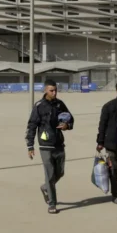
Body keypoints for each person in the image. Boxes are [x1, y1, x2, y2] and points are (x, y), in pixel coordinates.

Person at [25, 79, 74, 214]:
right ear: (45, 90)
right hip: (45, 146)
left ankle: (45, 187)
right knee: (50, 175)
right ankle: (52, 204)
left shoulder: (60, 104)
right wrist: (30, 146)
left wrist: (67, 126)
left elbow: (70, 119)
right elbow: (32, 126)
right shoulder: (39, 106)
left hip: (59, 145)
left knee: (60, 172)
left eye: (56, 90)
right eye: (51, 90)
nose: (54, 93)